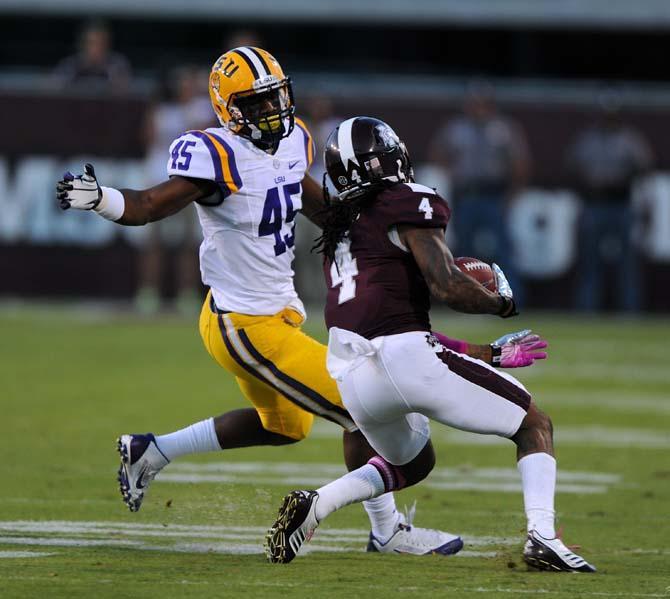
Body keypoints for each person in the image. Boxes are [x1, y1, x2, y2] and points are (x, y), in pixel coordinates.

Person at [55, 48, 545, 556]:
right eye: (258, 102)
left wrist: (382, 240)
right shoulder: (214, 154)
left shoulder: (293, 139)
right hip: (244, 324)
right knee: (357, 405)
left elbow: (318, 207)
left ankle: (151, 450)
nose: (274, 111)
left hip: (275, 314)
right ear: (230, 109)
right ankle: (387, 531)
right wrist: (102, 199)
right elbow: (148, 205)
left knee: (286, 425)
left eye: (276, 97)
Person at [265, 116, 595, 574]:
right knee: (534, 424)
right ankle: (542, 537)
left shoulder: (339, 225)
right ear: (389, 159)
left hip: (352, 375)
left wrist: (486, 353)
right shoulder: (407, 201)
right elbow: (446, 286)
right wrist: (498, 302)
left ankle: (316, 505)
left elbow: (388, 324)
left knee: (412, 463)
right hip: (405, 358)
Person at [429, 81, 529, 304]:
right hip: (465, 196)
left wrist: (511, 196)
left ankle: (512, 299)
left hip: (494, 195)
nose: (478, 108)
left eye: (483, 104)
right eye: (474, 103)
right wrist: (451, 176)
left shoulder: (503, 128)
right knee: (464, 253)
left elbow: (519, 164)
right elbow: (438, 154)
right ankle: (463, 299)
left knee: (504, 251)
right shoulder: (457, 128)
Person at [135, 66, 214, 315]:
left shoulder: (201, 109)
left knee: (188, 244)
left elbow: (207, 139)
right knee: (153, 243)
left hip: (187, 184)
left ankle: (186, 293)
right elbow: (147, 137)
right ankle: (148, 292)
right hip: (157, 179)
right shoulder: (162, 111)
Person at [566, 90, 653, 312]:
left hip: (620, 203)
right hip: (594, 202)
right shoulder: (588, 139)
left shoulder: (629, 139)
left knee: (627, 263)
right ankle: (587, 309)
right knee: (590, 261)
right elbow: (573, 167)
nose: (608, 117)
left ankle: (629, 311)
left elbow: (644, 167)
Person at [52, 20, 131, 93]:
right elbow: (55, 88)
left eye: (101, 43)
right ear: (83, 44)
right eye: (92, 43)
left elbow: (125, 90)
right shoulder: (70, 65)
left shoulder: (117, 64)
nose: (97, 48)